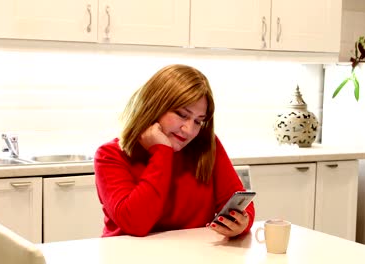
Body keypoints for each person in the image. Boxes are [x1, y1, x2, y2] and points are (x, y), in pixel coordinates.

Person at [94, 64, 255, 238]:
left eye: (198, 121)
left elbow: (241, 206)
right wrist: (162, 152)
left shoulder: (207, 147)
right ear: (154, 106)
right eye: (182, 114)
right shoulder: (110, 155)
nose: (189, 130)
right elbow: (135, 224)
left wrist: (241, 223)